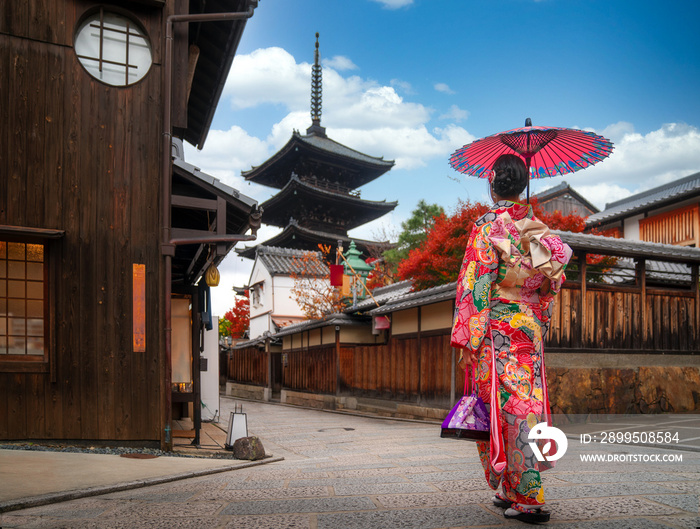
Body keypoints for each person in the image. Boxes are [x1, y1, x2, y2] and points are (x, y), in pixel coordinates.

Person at [450, 154, 572, 524]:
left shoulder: (488, 227)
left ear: (492, 183)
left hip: (496, 329)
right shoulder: (542, 233)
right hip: (527, 330)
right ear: (522, 185)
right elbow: (552, 284)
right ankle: (511, 489)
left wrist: (467, 339)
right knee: (525, 406)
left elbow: (475, 283)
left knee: (502, 409)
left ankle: (528, 496)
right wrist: (536, 318)